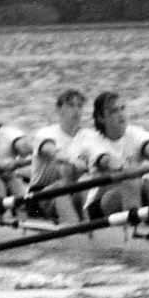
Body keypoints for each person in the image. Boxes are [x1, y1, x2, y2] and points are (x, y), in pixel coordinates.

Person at [84, 92, 149, 217]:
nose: (121, 115)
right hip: (100, 204)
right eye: (114, 111)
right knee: (131, 182)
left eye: (123, 108)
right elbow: (108, 161)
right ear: (101, 118)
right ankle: (135, 230)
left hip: (134, 192)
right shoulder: (92, 141)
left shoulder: (135, 132)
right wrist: (124, 168)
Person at [29, 89, 92, 223]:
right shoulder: (46, 133)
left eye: (79, 106)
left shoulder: (89, 136)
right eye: (71, 105)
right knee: (62, 182)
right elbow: (53, 151)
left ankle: (91, 228)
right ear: (59, 110)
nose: (76, 110)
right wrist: (73, 160)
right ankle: (76, 230)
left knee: (87, 184)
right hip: (40, 196)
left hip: (74, 190)